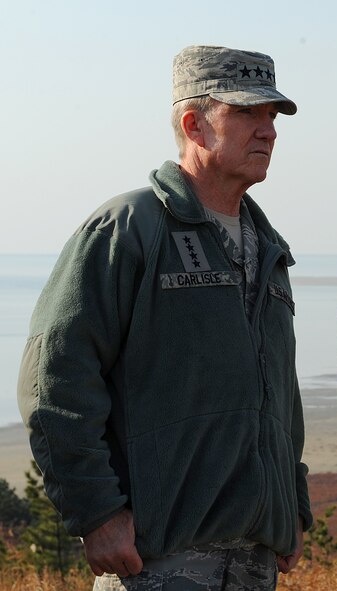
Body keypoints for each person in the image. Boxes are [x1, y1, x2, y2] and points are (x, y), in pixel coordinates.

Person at [17, 45, 312, 590]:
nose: (269, 130)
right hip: (158, 560)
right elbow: (53, 379)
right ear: (193, 124)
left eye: (272, 116)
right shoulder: (128, 228)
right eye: (247, 112)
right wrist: (97, 515)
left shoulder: (271, 249)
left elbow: (278, 391)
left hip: (254, 558)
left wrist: (292, 503)